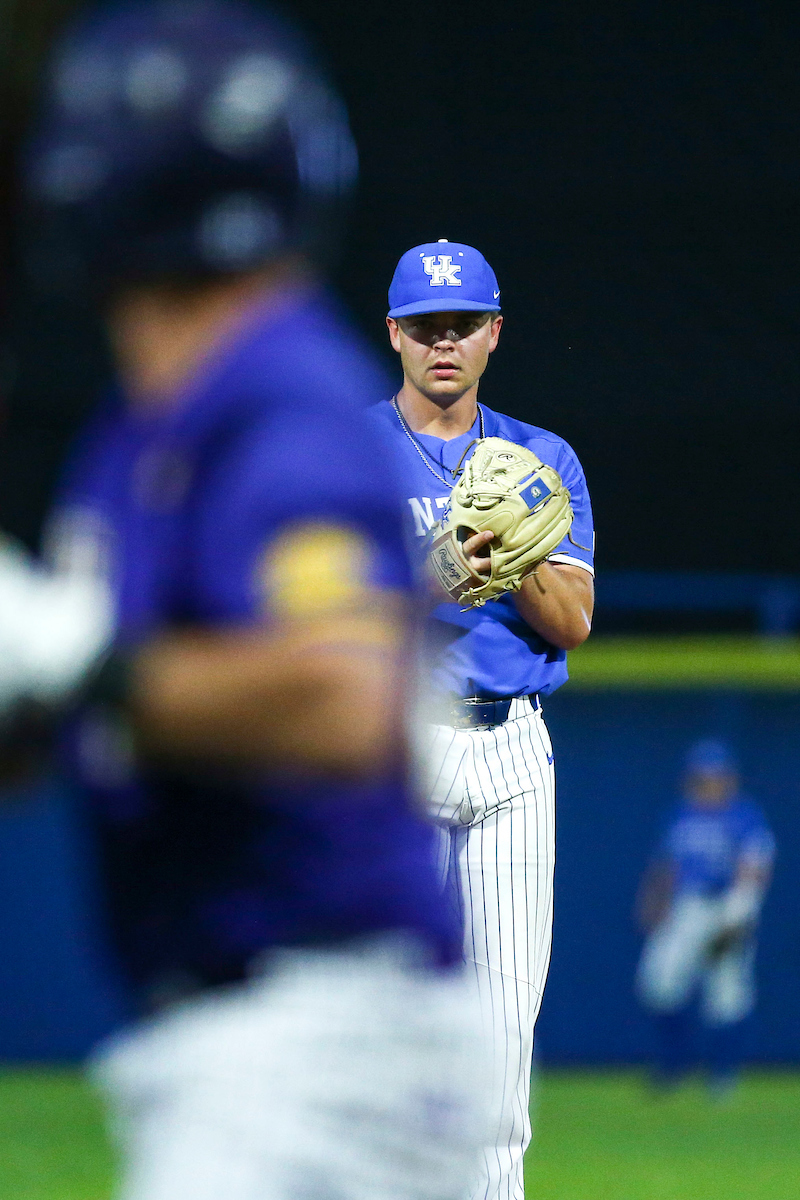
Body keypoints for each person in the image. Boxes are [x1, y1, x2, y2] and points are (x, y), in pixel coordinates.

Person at [5, 6, 488, 1198]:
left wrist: (69, 656)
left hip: (321, 1031)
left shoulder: (273, 394)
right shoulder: (142, 429)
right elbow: (73, 721)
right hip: (241, 1037)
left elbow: (340, 699)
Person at [369, 241, 595, 1200]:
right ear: (395, 336)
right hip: (396, 744)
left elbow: (574, 624)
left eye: (461, 325)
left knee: (502, 1042)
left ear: (495, 333)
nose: (443, 342)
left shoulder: (542, 458)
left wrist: (515, 550)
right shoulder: (349, 449)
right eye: (425, 326)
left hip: (512, 749)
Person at [636, 738, 775, 1097]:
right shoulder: (681, 814)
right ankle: (675, 1063)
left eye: (715, 777)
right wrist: (653, 902)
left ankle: (722, 1074)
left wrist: (740, 912)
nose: (708, 784)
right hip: (687, 906)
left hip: (726, 905)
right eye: (702, 777)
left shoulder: (744, 815)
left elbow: (756, 867)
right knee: (659, 983)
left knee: (727, 993)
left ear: (729, 779)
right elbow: (665, 865)